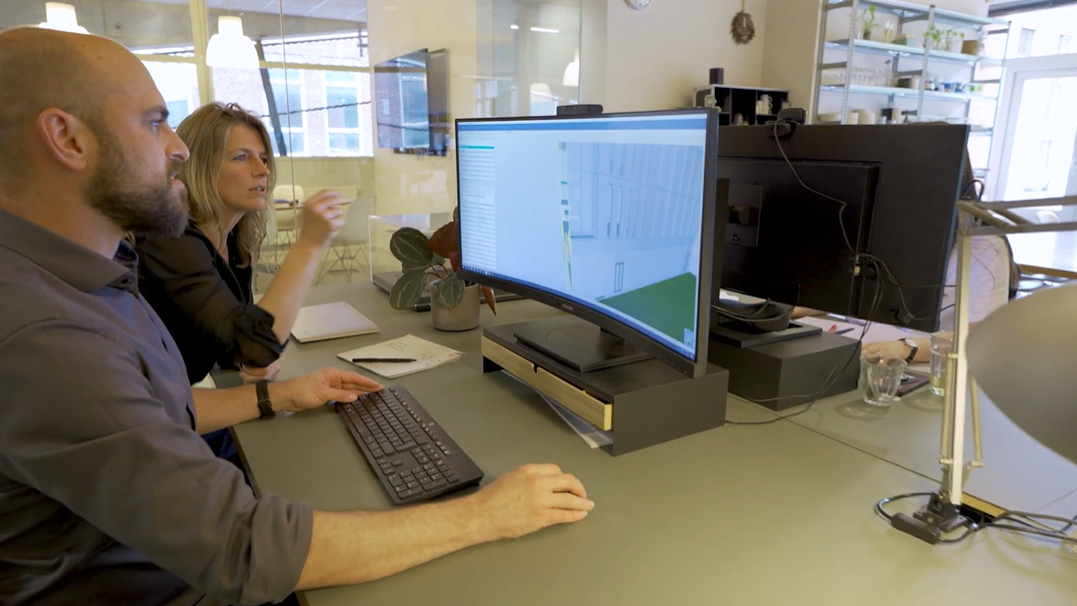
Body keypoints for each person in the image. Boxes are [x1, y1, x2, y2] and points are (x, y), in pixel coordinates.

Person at [0, 28, 594, 606]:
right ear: (67, 139)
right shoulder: (48, 336)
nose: (176, 147)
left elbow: (161, 408)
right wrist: (485, 514)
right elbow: (245, 549)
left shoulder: (88, 276)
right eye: (154, 122)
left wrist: (278, 397)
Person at [135, 102, 348, 387]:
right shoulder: (170, 238)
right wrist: (309, 244)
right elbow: (256, 346)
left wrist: (249, 355)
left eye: (263, 158)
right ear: (200, 166)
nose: (262, 170)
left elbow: (236, 341)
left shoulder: (234, 240)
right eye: (241, 157)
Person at [860, 234, 1011, 363]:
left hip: (936, 367)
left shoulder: (983, 247)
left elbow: (982, 340)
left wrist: (906, 348)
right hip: (872, 351)